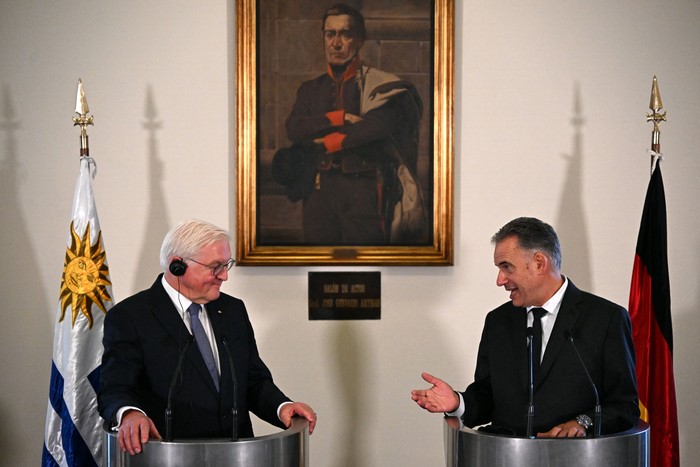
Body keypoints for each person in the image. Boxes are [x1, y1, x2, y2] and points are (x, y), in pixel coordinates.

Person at [98, 219, 317, 455]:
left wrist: (282, 406)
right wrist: (130, 413)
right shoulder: (130, 316)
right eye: (215, 267)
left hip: (237, 456)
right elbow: (115, 386)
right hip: (168, 456)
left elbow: (253, 380)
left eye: (226, 265)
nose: (224, 276)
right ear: (177, 266)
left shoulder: (233, 310)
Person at [411, 217, 639, 437]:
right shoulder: (498, 321)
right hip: (506, 457)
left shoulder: (606, 319)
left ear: (539, 263)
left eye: (507, 267)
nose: (500, 280)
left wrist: (583, 423)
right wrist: (457, 402)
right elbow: (487, 395)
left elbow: (624, 406)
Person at [282, 3, 425, 244]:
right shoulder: (309, 90)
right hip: (318, 192)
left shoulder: (378, 85)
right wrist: (339, 118)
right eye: (330, 34)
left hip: (364, 190)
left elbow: (377, 126)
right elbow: (294, 128)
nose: (336, 43)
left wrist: (327, 142)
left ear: (359, 40)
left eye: (345, 34)